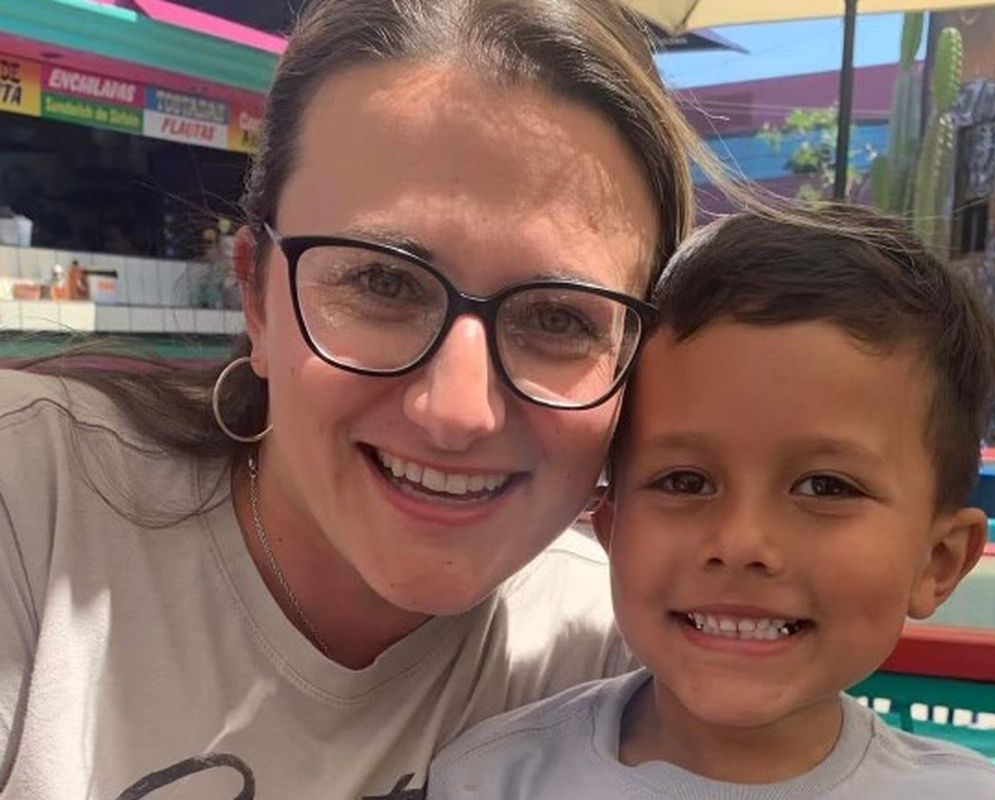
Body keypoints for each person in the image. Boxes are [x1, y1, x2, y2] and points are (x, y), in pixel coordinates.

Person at [0, 1, 764, 796]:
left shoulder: (620, 658)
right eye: (383, 282)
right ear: (256, 298)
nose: (457, 412)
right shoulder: (32, 508)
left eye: (557, 319)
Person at [428, 206, 995, 799]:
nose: (741, 543)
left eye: (825, 487)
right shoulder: (490, 781)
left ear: (938, 562)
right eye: (685, 482)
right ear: (611, 529)